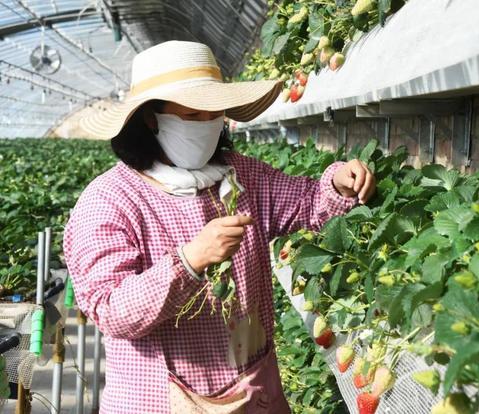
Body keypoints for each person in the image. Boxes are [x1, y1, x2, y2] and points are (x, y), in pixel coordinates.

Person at [63, 40, 376, 413]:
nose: (208, 124)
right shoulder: (110, 200)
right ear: (151, 118)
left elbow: (308, 204)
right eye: (193, 116)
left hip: (254, 391)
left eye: (215, 113)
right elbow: (111, 309)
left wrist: (339, 183)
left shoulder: (241, 175)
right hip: (163, 400)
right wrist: (189, 261)